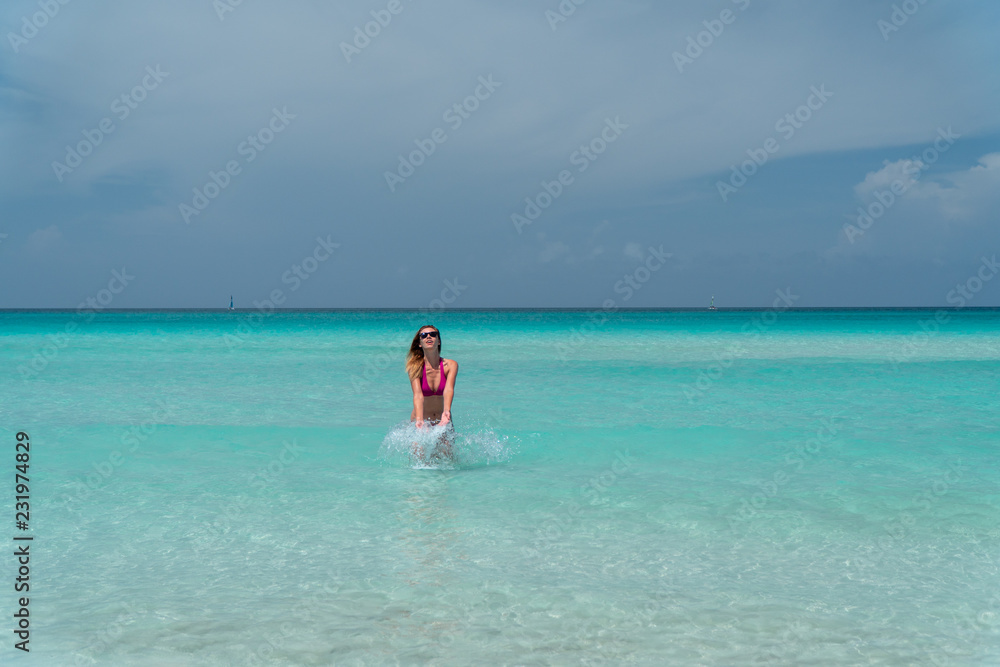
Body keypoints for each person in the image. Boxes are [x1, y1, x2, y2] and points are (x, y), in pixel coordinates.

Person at [406, 325, 458, 461]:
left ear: (439, 341)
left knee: (448, 462)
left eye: (433, 334)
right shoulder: (415, 366)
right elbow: (417, 395)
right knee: (419, 462)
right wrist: (419, 420)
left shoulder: (451, 365)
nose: (428, 337)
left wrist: (446, 412)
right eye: (423, 335)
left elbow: (448, 389)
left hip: (443, 419)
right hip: (421, 420)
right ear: (419, 343)